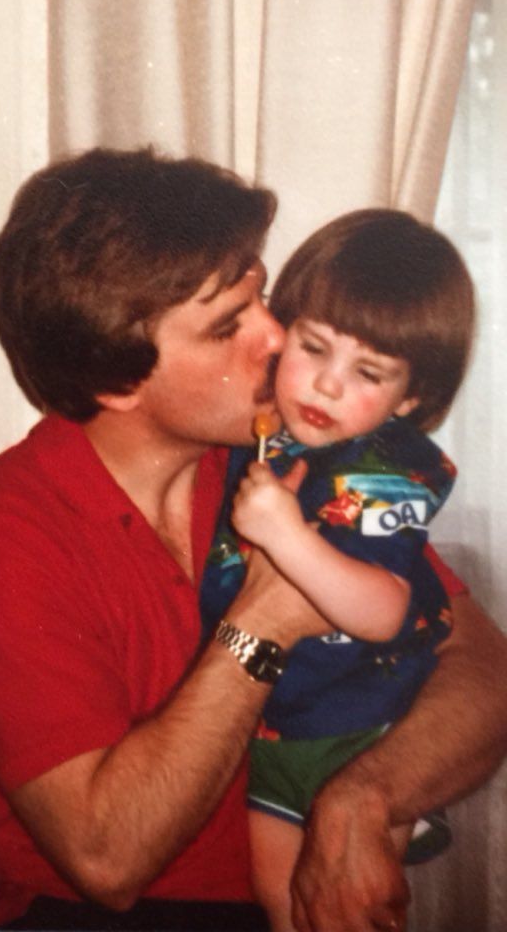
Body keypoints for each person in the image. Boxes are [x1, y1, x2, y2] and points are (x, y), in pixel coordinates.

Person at [0, 149, 506, 932]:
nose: (278, 337)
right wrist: (264, 623)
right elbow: (107, 858)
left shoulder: (286, 465)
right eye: (229, 326)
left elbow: (484, 669)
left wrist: (364, 797)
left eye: (262, 297)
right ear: (118, 379)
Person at [200, 209, 474, 931]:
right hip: (269, 737)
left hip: (365, 734)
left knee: (344, 909)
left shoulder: (388, 469)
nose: (325, 385)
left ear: (408, 399)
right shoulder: (258, 437)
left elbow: (382, 609)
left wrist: (286, 537)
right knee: (280, 904)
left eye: (368, 373)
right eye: (313, 348)